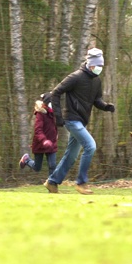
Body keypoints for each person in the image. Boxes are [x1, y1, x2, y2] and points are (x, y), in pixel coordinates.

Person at [43, 48, 115, 195]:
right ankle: (81, 183)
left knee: (72, 155)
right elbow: (56, 92)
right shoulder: (75, 77)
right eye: (97, 65)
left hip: (81, 121)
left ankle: (52, 182)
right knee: (90, 146)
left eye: (101, 66)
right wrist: (58, 116)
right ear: (90, 64)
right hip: (71, 119)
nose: (100, 68)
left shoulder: (96, 81)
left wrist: (106, 106)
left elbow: (97, 100)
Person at [19, 93, 58, 175]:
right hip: (40, 144)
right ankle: (26, 160)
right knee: (37, 167)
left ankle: (51, 184)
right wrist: (44, 141)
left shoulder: (54, 113)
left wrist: (55, 135)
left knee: (53, 165)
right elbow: (38, 130)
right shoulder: (40, 114)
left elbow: (55, 126)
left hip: (51, 143)